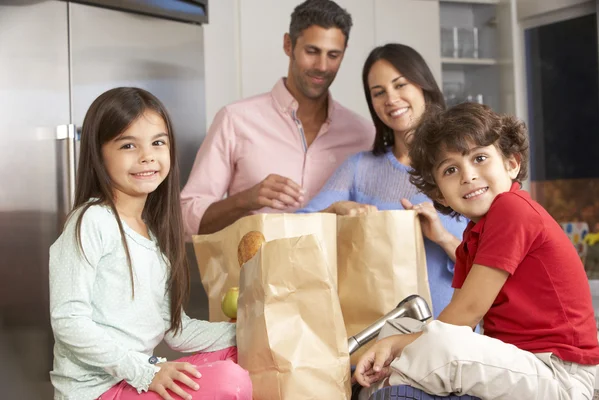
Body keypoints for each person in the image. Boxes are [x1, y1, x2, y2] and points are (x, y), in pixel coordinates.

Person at [354, 103, 599, 400]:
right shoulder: (472, 238)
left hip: (559, 375)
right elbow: (457, 324)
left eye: (479, 158)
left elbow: (464, 316)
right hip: (523, 366)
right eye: (451, 169)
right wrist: (397, 342)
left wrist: (397, 347)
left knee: (435, 341)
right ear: (438, 194)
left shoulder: (512, 209)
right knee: (417, 333)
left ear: (512, 163)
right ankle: (388, 383)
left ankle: (381, 382)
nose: (468, 176)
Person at [49, 87, 252, 400]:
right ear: (99, 153)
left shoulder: (154, 234)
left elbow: (176, 330)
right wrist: (145, 370)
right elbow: (69, 322)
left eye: (158, 142)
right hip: (96, 391)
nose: (147, 156)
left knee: (248, 354)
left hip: (135, 377)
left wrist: (255, 328)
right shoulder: (91, 221)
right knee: (230, 381)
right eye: (128, 145)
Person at [298, 43, 467, 318]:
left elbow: (492, 266)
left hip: (451, 340)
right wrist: (334, 210)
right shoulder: (359, 168)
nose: (391, 99)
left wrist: (444, 238)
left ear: (423, 86)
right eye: (379, 93)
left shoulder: (462, 165)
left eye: (400, 85)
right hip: (377, 343)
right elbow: (294, 228)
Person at [180, 0, 374, 238]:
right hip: (256, 273)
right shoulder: (235, 120)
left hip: (341, 274)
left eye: (333, 55)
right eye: (312, 51)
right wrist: (246, 199)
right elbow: (186, 217)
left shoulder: (363, 134)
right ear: (288, 45)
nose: (322, 66)